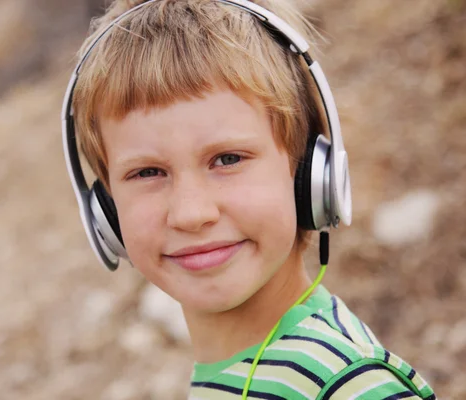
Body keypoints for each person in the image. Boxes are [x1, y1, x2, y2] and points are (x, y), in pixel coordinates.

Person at [61, 0, 437, 398]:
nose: (191, 214)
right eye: (148, 172)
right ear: (107, 209)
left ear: (309, 174)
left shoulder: (348, 384)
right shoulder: (240, 369)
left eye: (227, 159)